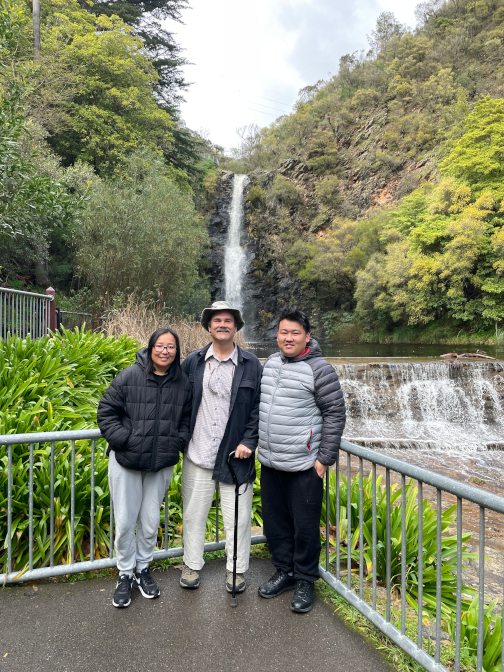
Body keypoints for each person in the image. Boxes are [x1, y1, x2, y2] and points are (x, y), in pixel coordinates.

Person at [257, 308, 346, 613]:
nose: (289, 337)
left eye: (295, 332)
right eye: (284, 332)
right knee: (276, 523)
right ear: (277, 335)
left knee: (305, 528)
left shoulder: (320, 369)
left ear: (307, 336)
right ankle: (284, 571)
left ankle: (305, 579)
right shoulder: (270, 363)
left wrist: (324, 459)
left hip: (305, 465)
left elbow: (335, 413)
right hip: (269, 462)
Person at [97, 328, 192, 608]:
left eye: (171, 347)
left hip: (160, 462)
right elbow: (106, 411)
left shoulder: (183, 383)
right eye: (160, 346)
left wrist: (177, 441)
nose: (165, 351)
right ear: (150, 348)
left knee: (150, 523)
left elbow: (186, 419)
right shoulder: (130, 375)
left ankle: (142, 569)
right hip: (126, 460)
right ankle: (125, 573)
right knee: (126, 522)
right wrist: (125, 440)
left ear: (177, 352)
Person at [179, 301, 262, 593]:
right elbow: (180, 401)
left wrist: (249, 441)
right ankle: (191, 565)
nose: (222, 324)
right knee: (193, 514)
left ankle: (236, 571)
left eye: (228, 320)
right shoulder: (194, 361)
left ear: (236, 326)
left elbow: (258, 409)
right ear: (209, 326)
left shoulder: (251, 364)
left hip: (234, 456)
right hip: (198, 452)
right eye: (217, 320)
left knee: (237, 518)